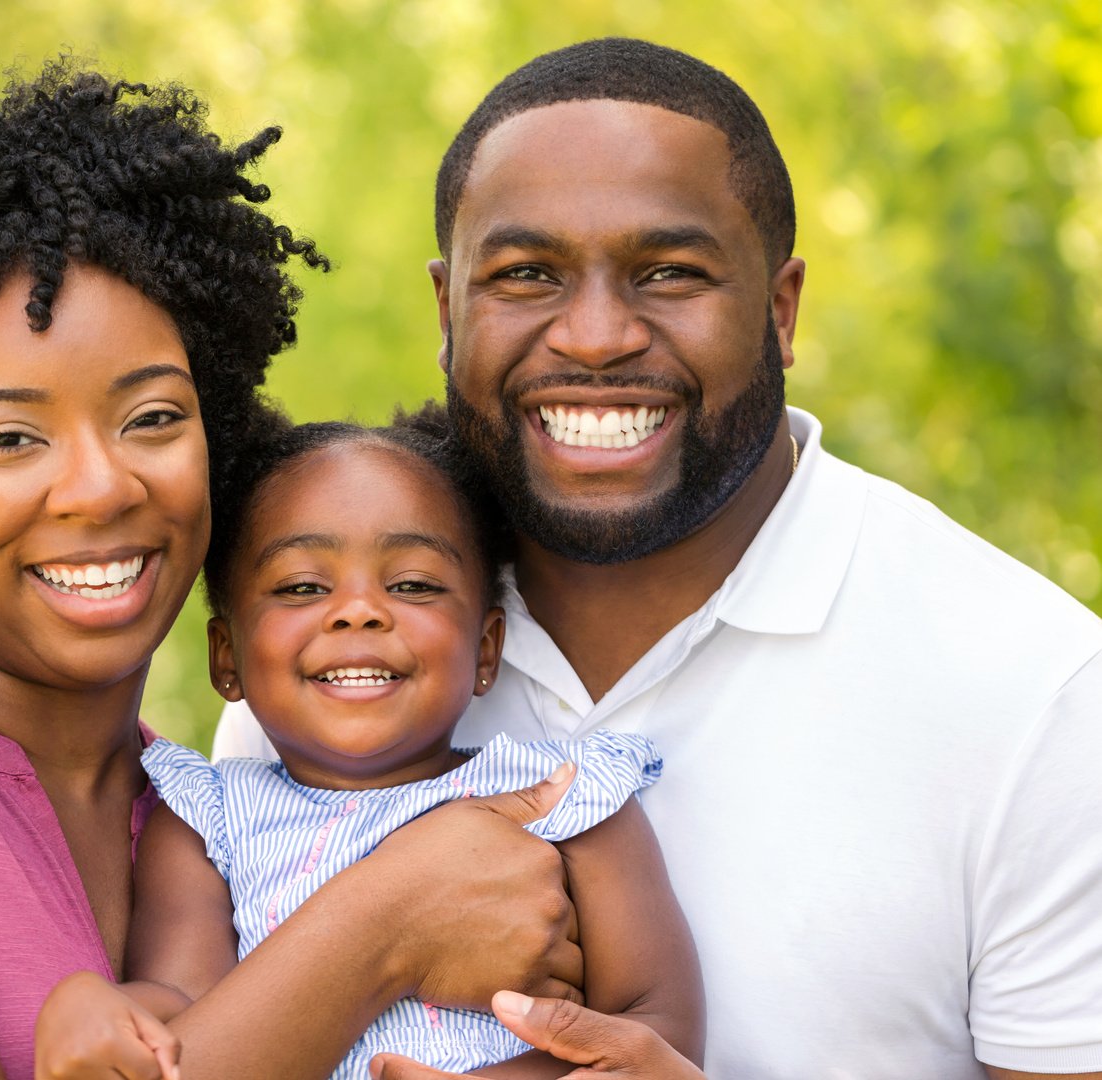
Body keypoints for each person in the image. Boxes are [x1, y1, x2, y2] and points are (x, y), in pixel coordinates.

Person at [0, 39, 587, 1080]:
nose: (100, 486)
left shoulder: (222, 822)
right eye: (8, 437)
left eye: (152, 417)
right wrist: (386, 923)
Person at [215, 38, 1102, 1080]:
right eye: (527, 274)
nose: (594, 336)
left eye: (669, 273)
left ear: (780, 310)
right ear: (447, 312)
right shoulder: (338, 655)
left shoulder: (1035, 694)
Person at [34, 418, 702, 1078]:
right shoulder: (210, 824)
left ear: (486, 649)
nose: (358, 611)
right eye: (302, 587)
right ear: (226, 657)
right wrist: (89, 1007)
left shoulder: (567, 800)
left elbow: (656, 1025)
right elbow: (188, 1019)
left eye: (412, 584)